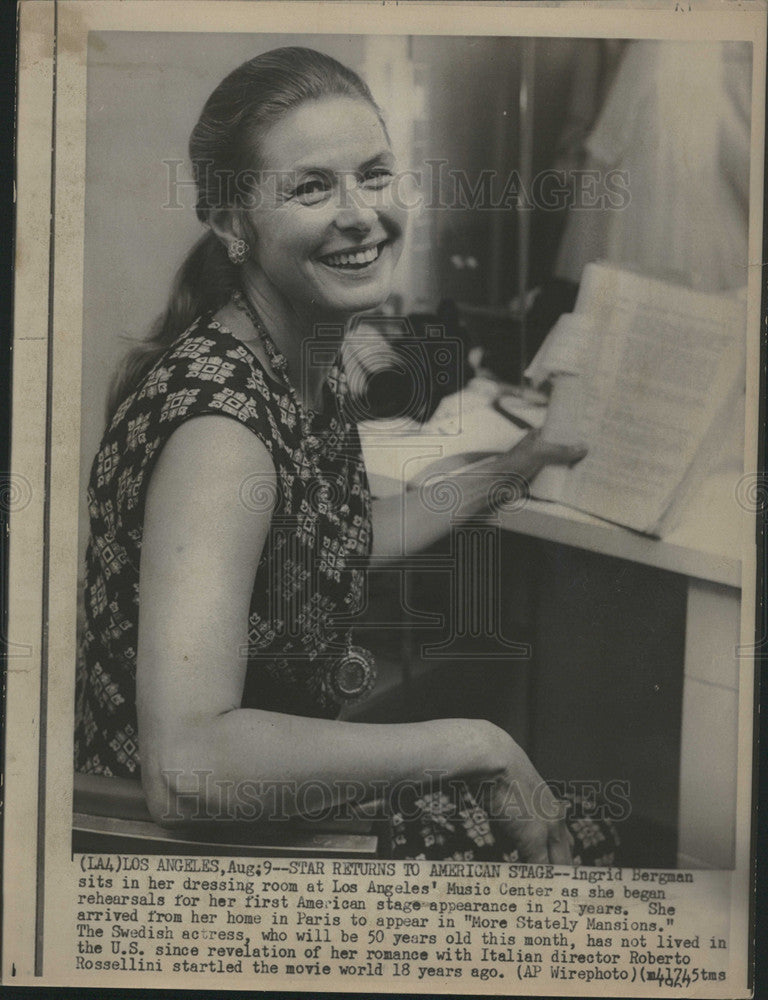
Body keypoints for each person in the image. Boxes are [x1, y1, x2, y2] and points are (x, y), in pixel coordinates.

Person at [74, 47, 603, 864]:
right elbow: (186, 768)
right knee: (585, 847)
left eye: (376, 174)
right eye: (312, 187)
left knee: (568, 836)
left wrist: (518, 461)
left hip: (252, 816)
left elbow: (346, 536)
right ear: (228, 220)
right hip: (192, 850)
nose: (362, 214)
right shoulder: (223, 431)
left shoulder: (293, 354)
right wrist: (479, 742)